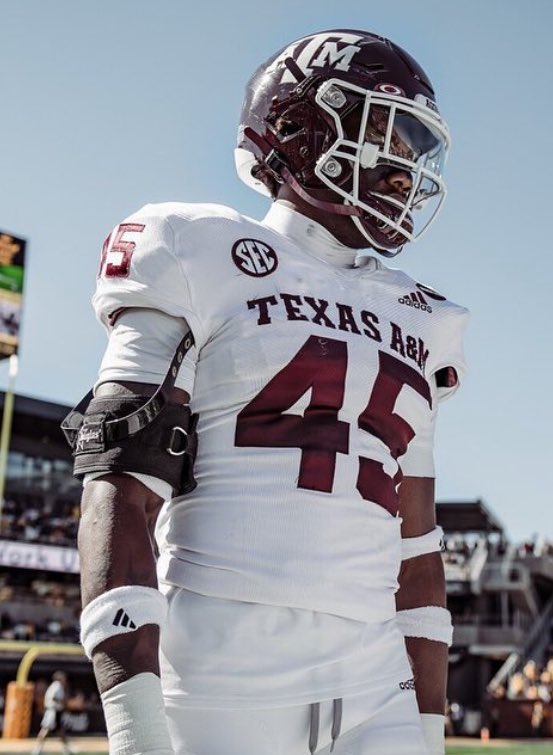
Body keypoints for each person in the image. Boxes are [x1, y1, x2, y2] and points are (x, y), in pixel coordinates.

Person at [65, 28, 468, 755]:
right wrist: (135, 727)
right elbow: (119, 484)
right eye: (390, 132)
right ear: (298, 126)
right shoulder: (197, 247)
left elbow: (416, 547)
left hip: (376, 677)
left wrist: (429, 728)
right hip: (225, 671)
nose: (406, 163)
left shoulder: (425, 317)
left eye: (416, 144)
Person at [31, 671, 73, 755]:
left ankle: (66, 749)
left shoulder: (58, 686)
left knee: (61, 732)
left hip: (56, 711)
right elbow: (53, 698)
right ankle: (37, 749)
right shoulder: (56, 685)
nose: (65, 679)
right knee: (45, 730)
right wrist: (63, 702)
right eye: (63, 678)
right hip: (52, 711)